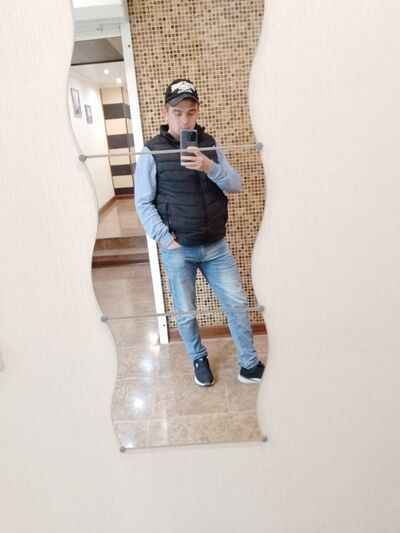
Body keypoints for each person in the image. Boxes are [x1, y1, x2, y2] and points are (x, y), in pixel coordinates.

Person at [135, 78, 264, 387]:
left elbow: (235, 184)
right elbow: (142, 202)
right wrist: (165, 239)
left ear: (197, 112)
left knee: (237, 303)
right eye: (178, 113)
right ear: (165, 112)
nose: (185, 120)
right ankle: (198, 358)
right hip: (179, 248)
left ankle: (249, 365)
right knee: (186, 312)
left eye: (191, 112)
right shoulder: (151, 152)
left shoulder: (209, 143)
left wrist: (209, 167)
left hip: (216, 246)